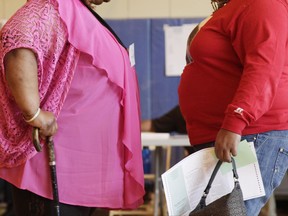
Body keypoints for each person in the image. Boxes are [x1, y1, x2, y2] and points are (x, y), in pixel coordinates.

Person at [0, 0, 145, 215]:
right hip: (58, 170)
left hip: (90, 174)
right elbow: (18, 41)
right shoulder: (53, 6)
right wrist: (34, 113)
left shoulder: (79, 12)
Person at [178, 0, 288, 215]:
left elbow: (264, 68)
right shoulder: (235, 7)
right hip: (230, 135)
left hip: (251, 134)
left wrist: (236, 121)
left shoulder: (261, 3)